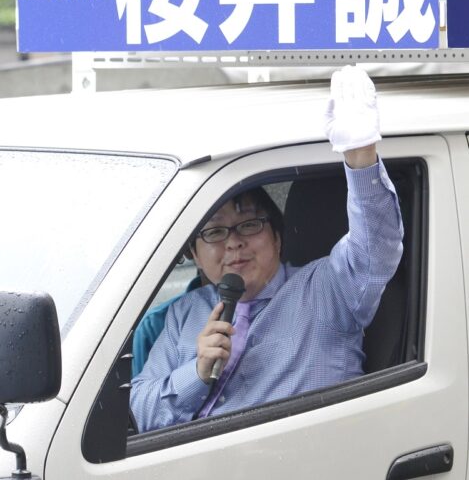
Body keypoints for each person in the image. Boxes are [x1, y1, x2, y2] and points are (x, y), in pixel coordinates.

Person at [131, 66, 404, 432]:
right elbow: (142, 411)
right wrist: (196, 373)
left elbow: (378, 247)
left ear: (276, 236)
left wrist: (360, 157)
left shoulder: (326, 288)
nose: (233, 242)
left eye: (248, 225)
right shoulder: (183, 313)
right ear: (194, 255)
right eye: (213, 233)